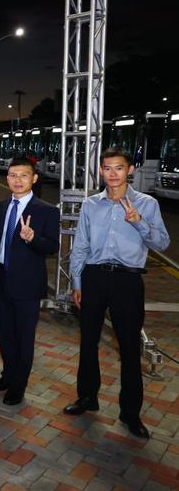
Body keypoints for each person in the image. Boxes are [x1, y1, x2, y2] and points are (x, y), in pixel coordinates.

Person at [64, 147, 170, 439]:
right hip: (94, 277)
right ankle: (87, 397)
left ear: (130, 170)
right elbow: (81, 245)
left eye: (119, 168)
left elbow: (162, 243)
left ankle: (130, 413)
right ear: (100, 171)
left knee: (129, 347)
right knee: (88, 341)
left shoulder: (147, 204)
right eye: (107, 168)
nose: (113, 174)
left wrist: (139, 222)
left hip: (128, 280)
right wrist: (77, 282)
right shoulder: (90, 204)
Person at [0, 157, 59, 405]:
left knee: (24, 337)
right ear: (7, 178)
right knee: (5, 333)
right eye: (13, 175)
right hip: (1, 280)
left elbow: (52, 247)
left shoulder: (46, 210)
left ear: (34, 178)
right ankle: (7, 376)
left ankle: (18, 385)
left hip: (27, 285)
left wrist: (33, 238)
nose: (18, 180)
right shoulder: (1, 207)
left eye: (24, 175)